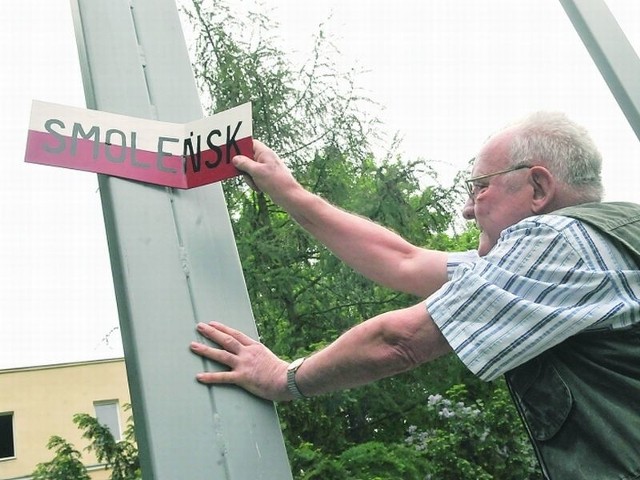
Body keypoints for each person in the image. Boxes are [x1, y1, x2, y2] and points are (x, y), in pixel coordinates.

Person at [189, 111, 640, 479]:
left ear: (538, 188)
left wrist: (282, 378)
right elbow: (401, 260)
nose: (466, 208)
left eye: (479, 187)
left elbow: (399, 341)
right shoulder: (597, 244)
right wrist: (285, 188)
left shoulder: (555, 244)